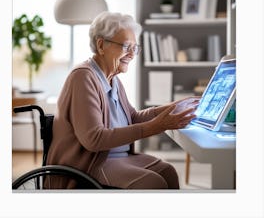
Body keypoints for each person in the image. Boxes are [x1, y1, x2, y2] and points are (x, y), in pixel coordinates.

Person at [46, 11, 199, 189]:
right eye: (127, 47)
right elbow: (93, 139)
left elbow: (132, 117)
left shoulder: (113, 79)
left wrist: (173, 107)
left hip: (118, 158)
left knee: (168, 172)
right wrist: (157, 125)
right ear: (101, 45)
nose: (132, 55)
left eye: (134, 48)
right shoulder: (82, 77)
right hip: (90, 164)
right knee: (153, 183)